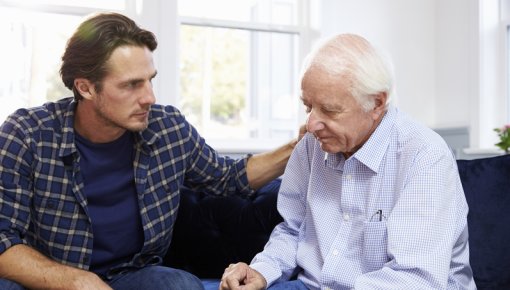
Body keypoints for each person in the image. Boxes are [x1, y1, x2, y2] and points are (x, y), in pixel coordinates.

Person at [0, 12, 303, 290]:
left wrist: (300, 144)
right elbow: (4, 241)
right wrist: (77, 281)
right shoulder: (27, 134)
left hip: (131, 275)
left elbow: (229, 177)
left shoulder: (167, 127)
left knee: (179, 285)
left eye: (150, 80)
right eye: (132, 85)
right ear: (86, 88)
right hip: (51, 277)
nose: (149, 97)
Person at [220, 34, 476, 290]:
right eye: (308, 107)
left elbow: (415, 279)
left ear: (376, 103)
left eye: (329, 110)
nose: (311, 124)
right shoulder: (312, 144)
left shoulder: (425, 156)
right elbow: (293, 230)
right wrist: (262, 270)